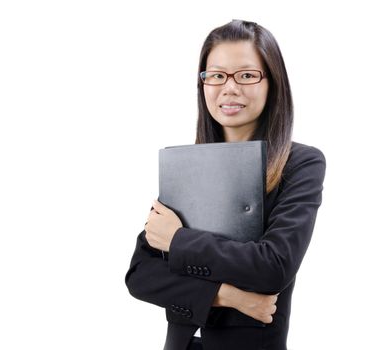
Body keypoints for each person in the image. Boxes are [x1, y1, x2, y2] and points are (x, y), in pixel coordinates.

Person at [125, 19, 326, 350]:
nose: (229, 88)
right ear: (203, 83)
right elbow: (141, 275)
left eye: (246, 75)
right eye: (217, 75)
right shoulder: (187, 165)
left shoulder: (300, 164)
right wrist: (229, 296)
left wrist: (178, 240)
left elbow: (273, 266)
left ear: (272, 83)